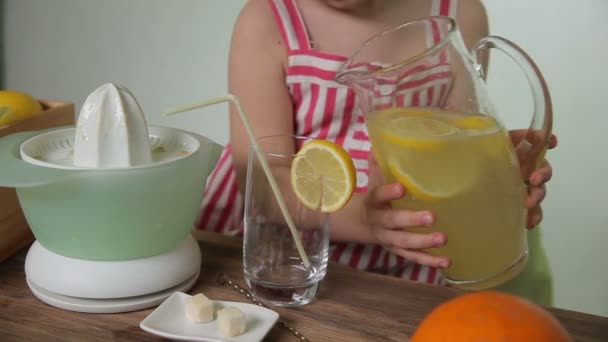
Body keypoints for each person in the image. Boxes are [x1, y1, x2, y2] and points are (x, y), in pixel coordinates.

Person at [196, 0, 557, 304]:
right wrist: (366, 220)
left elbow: (453, 157)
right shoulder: (265, 21)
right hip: (294, 261)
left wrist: (496, 171)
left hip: (413, 260)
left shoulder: (460, 14)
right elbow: (265, 186)